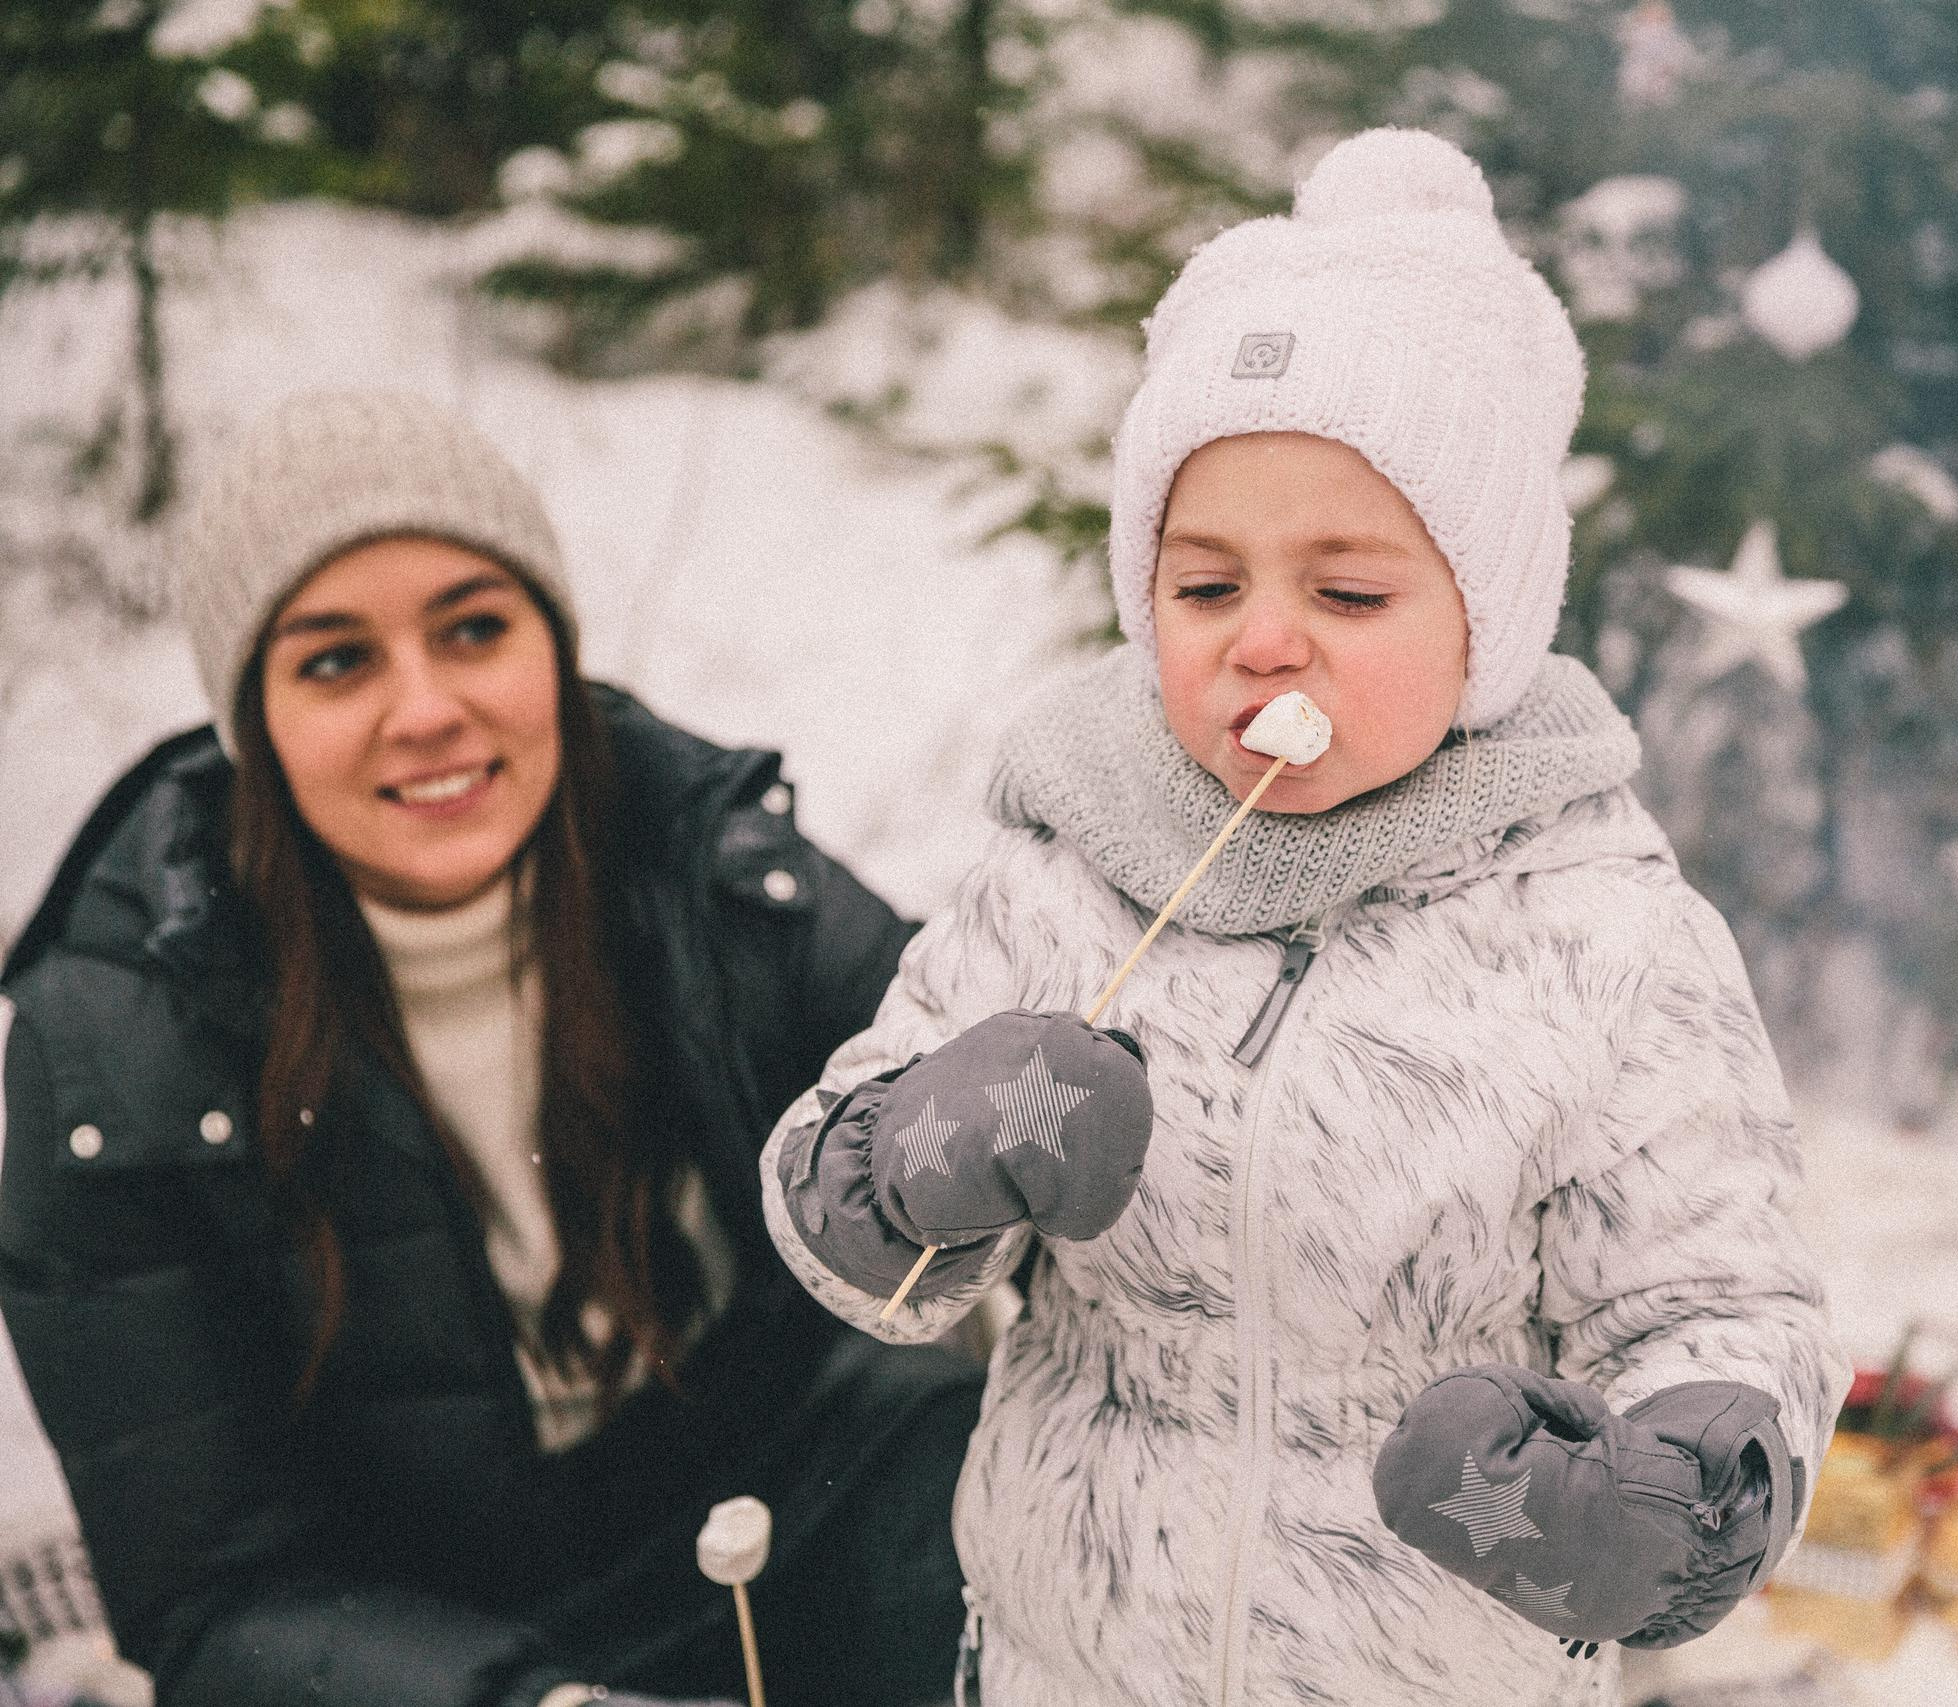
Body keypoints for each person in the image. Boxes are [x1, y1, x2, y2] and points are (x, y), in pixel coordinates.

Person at [757, 130, 1851, 1707]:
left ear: (1486, 626)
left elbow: (1714, 1294)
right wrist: (916, 1158)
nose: (1265, 641)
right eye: (1206, 590)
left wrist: (1661, 1507)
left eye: (1347, 595)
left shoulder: (1606, 937)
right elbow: (853, 1245)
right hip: (1074, 1665)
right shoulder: (1068, 872)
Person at [0, 392, 980, 1707]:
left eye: (474, 629)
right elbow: (216, 1599)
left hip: (782, 1518)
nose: (427, 710)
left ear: (552, 649)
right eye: (336, 660)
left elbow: (945, 1074)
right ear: (254, 723)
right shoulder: (112, 1050)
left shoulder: (709, 865)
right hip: (417, 1644)